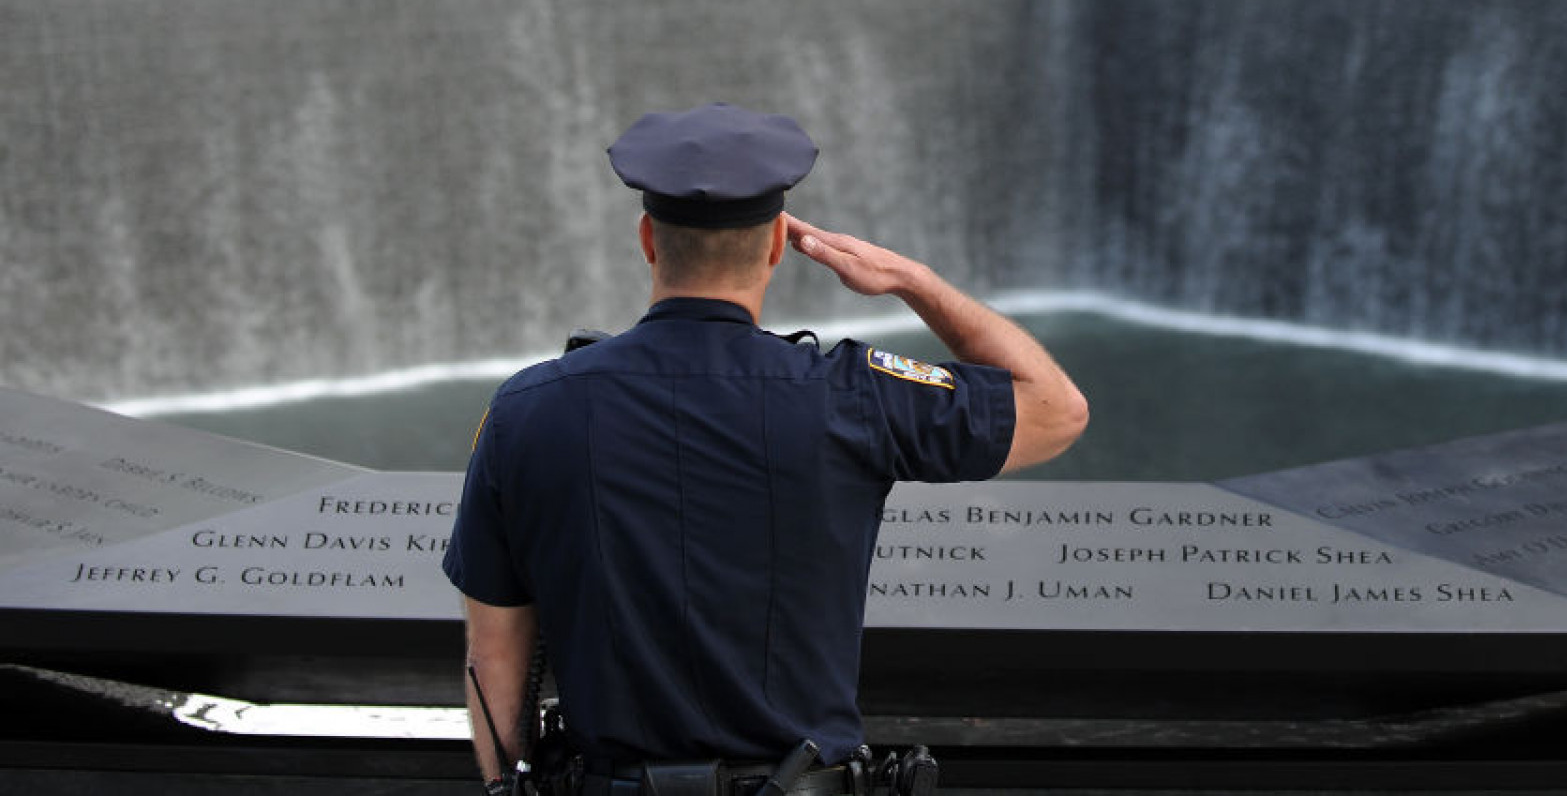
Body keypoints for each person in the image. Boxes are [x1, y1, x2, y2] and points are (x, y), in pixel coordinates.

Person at [443, 104, 1088, 796]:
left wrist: (504, 786)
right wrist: (914, 282)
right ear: (778, 245)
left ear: (647, 241)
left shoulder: (526, 410)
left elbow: (495, 653)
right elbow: (1056, 410)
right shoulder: (853, 394)